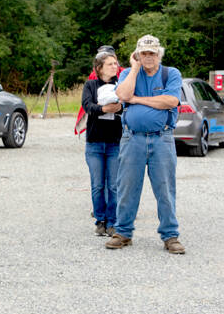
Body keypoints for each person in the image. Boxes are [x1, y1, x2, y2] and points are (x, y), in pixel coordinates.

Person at [106, 34, 185, 254]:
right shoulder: (128, 73)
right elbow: (122, 94)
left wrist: (138, 100)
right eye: (143, 53)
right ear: (137, 55)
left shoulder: (171, 74)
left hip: (162, 138)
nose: (148, 57)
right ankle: (123, 232)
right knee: (127, 186)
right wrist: (133, 68)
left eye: (152, 53)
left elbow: (171, 101)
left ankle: (170, 236)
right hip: (132, 138)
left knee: (165, 189)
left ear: (159, 53)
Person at [81, 51, 123, 236]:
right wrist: (104, 108)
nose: (115, 67)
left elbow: (128, 104)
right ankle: (100, 220)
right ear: (99, 68)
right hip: (95, 143)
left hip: (115, 142)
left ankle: (112, 221)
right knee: (98, 184)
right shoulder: (90, 85)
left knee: (113, 185)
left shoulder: (121, 86)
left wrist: (120, 107)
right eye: (110, 64)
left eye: (116, 63)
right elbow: (87, 106)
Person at [74, 45, 123, 136]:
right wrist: (103, 107)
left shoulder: (123, 73)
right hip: (96, 125)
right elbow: (89, 102)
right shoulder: (94, 76)